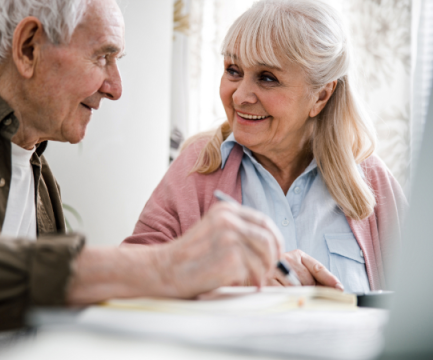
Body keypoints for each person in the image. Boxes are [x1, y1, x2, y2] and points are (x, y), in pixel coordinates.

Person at [0, 0, 285, 358]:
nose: (115, 87)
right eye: (101, 57)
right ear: (29, 47)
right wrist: (167, 265)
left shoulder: (38, 175)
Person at [123, 0, 407, 294]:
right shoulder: (197, 167)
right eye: (233, 70)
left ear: (321, 96)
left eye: (267, 78)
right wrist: (235, 275)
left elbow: (420, 305)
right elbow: (126, 277)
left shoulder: (372, 181)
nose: (241, 96)